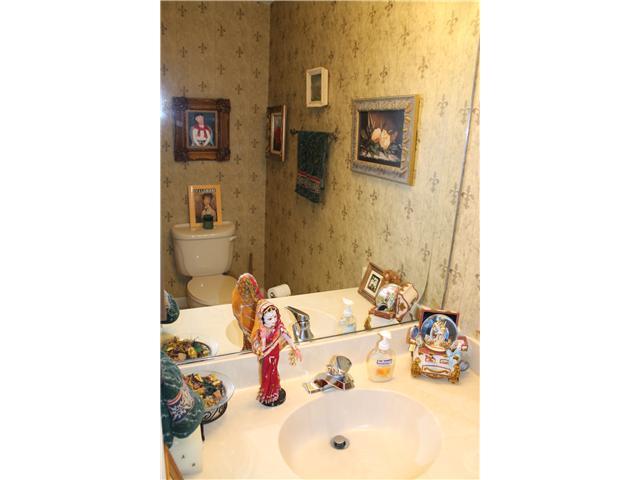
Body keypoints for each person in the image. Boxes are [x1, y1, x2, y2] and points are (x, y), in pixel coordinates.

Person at [251, 300, 302, 406]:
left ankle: (274, 390)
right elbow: (263, 348)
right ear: (262, 319)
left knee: (274, 372)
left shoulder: (279, 326)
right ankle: (268, 393)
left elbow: (286, 336)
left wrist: (295, 348)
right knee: (267, 375)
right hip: (267, 357)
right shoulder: (262, 331)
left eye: (275, 316)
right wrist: (262, 350)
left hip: (275, 354)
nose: (273, 320)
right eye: (269, 319)